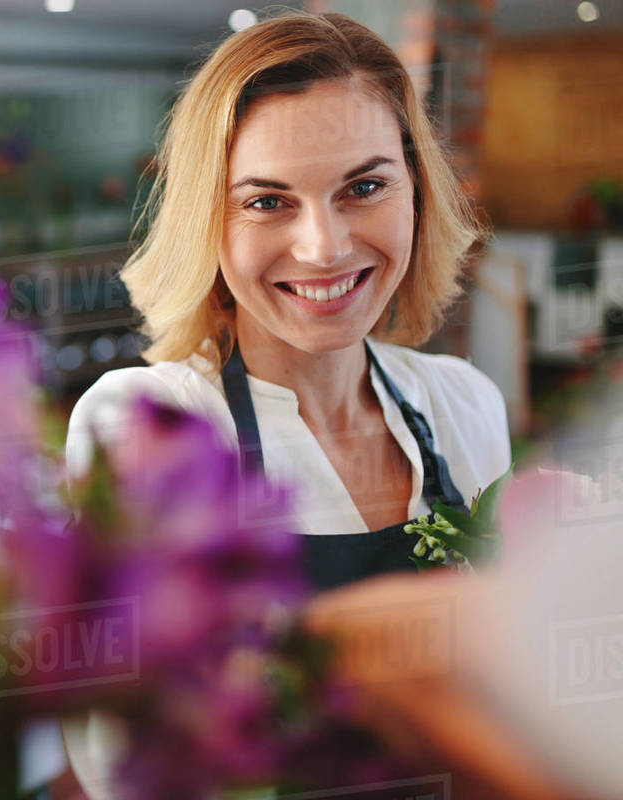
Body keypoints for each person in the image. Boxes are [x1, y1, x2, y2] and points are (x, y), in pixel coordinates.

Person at [61, 10, 512, 798]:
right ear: (208, 217)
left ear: (415, 191)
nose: (324, 247)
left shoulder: (464, 405)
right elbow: (126, 764)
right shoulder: (149, 428)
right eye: (268, 202)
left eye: (363, 187)